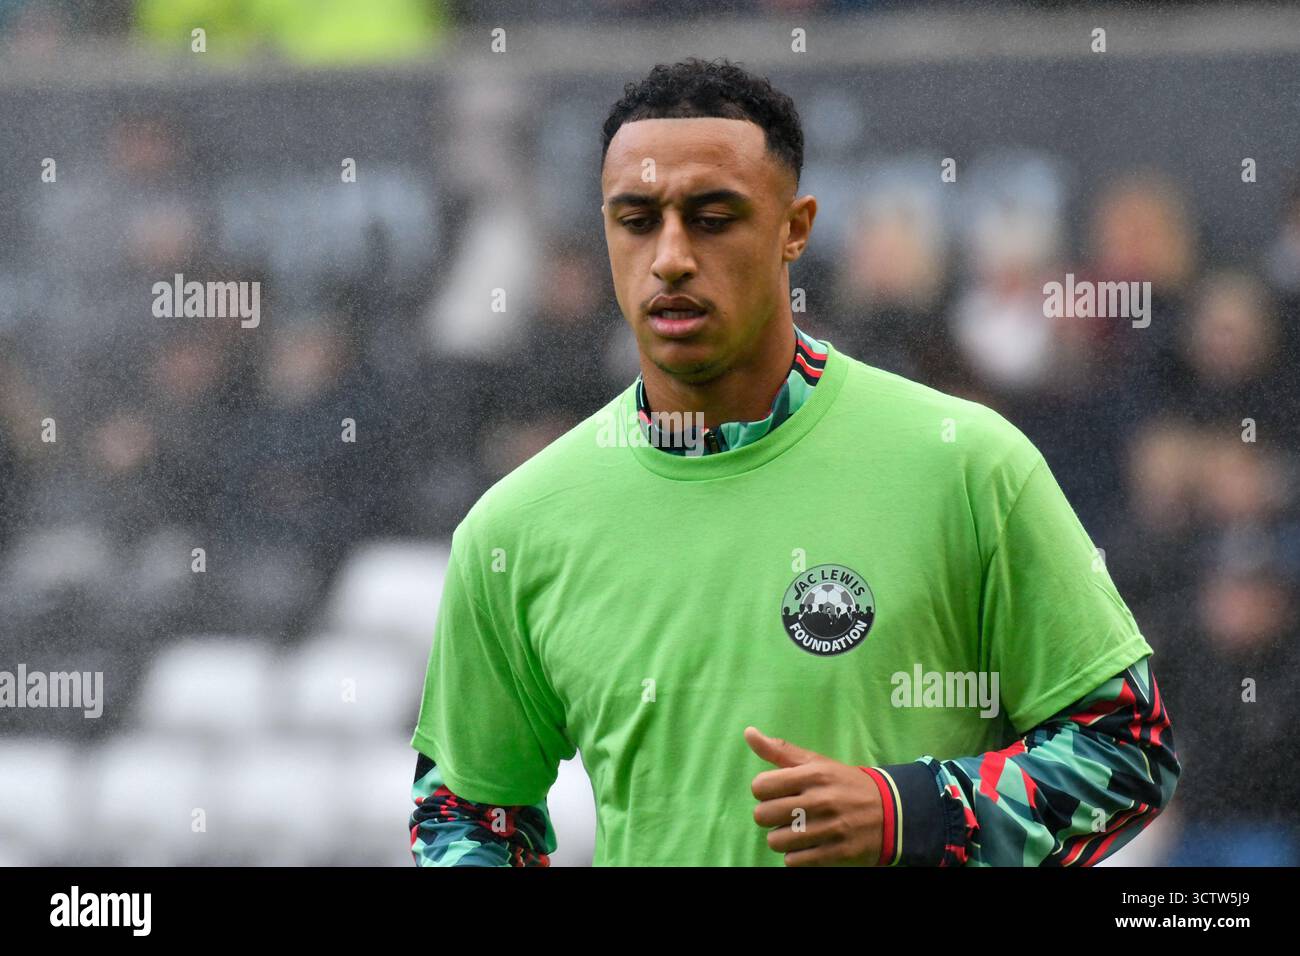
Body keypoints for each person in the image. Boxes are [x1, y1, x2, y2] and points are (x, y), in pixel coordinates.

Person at [408, 57, 1179, 867]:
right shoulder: (517, 526)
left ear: (795, 227)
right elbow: (464, 814)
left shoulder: (967, 464)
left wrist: (910, 815)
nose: (670, 256)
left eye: (712, 217)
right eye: (636, 220)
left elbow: (1130, 749)